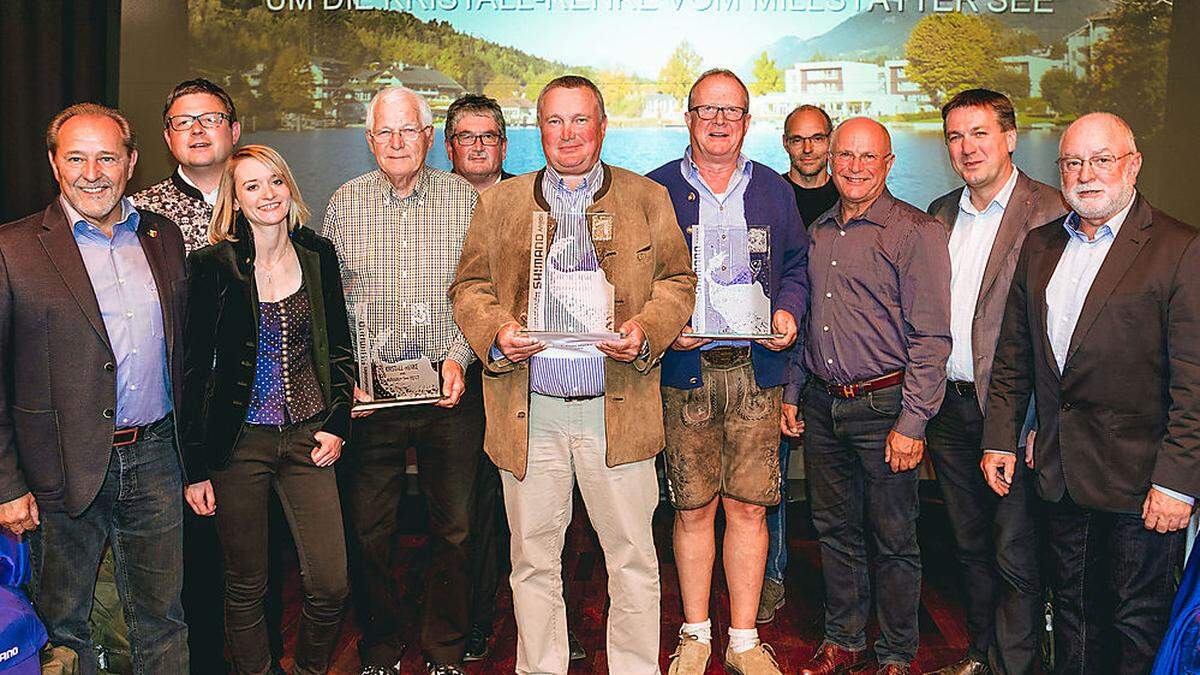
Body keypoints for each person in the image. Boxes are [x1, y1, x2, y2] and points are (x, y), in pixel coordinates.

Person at [449, 75, 695, 675]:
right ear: (539, 130)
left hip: (619, 409)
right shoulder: (500, 203)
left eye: (580, 120)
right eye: (554, 121)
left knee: (633, 557)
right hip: (530, 411)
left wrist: (647, 328)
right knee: (533, 561)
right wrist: (497, 332)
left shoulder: (645, 199)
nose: (568, 134)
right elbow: (469, 288)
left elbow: (679, 282)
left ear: (602, 127)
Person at [982, 112, 1200, 674]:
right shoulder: (1039, 246)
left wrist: (1177, 483)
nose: (1086, 174)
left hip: (1143, 488)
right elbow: (1013, 358)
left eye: (1101, 159)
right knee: (1075, 615)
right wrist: (1001, 439)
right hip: (1060, 476)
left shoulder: (1180, 249)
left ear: (1133, 165)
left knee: (1136, 624)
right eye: (1073, 162)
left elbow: (1194, 382)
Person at [0, 103, 189, 673]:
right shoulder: (12, 249)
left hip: (157, 457)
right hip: (55, 469)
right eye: (77, 157)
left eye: (107, 156)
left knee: (163, 619)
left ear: (131, 162)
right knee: (64, 626)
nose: (93, 171)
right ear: (55, 164)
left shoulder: (163, 236)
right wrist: (7, 483)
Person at [647, 69, 807, 675]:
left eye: (731, 111)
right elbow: (640, 282)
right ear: (687, 117)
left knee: (748, 508)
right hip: (685, 372)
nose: (719, 120)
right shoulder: (655, 188)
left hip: (756, 372)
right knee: (691, 509)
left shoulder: (773, 189)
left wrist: (789, 311)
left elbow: (795, 266)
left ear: (747, 121)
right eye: (706, 109)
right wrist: (666, 327)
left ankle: (742, 640)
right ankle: (695, 635)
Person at [324, 86, 484, 675]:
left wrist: (459, 356)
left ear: (428, 136)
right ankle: (381, 646)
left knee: (457, 529)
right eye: (384, 133)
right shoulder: (345, 204)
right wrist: (349, 381)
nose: (396, 142)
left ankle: (445, 648)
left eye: (408, 130)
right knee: (368, 533)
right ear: (370, 141)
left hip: (449, 390)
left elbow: (480, 291)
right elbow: (329, 303)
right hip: (371, 400)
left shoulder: (463, 200)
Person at [181, 144, 353, 675]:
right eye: (252, 186)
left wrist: (338, 425)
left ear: (289, 187)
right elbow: (193, 371)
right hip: (238, 445)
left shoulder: (319, 256)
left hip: (308, 439)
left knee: (331, 582)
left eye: (275, 181)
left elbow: (341, 352)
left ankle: (306, 669)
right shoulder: (212, 266)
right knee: (245, 583)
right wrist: (194, 469)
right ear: (235, 199)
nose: (267, 194)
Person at [131, 77, 279, 675]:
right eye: (183, 120)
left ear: (235, 130)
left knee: (261, 564)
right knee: (193, 563)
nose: (197, 128)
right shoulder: (141, 214)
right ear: (168, 137)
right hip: (181, 417)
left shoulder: (267, 203)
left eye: (211, 117)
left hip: (265, 414)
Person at [798, 117, 951, 675]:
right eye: (846, 155)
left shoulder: (916, 232)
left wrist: (913, 422)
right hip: (822, 403)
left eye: (869, 157)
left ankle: (896, 653)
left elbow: (932, 336)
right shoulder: (817, 232)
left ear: (889, 165)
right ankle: (844, 639)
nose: (856, 167)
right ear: (830, 161)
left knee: (893, 538)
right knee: (834, 531)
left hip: (886, 407)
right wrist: (794, 394)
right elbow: (808, 319)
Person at [442, 93, 587, 664]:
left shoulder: (540, 195)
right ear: (448, 146)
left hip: (535, 379)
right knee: (475, 514)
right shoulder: (431, 199)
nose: (478, 146)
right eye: (466, 137)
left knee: (558, 517)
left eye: (489, 136)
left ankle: (562, 631)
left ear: (505, 144)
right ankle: (479, 621)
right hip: (461, 381)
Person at [924, 88, 1065, 675]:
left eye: (980, 133)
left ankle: (1017, 666)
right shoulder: (939, 213)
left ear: (1010, 137)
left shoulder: (1053, 210)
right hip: (951, 409)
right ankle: (982, 656)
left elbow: (1065, 330)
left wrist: (1037, 422)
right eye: (956, 136)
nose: (967, 147)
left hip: (1015, 414)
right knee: (970, 545)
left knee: (1016, 553)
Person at [764, 103, 841, 627]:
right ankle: (771, 575)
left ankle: (845, 596)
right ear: (785, 143)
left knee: (838, 485)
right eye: (798, 139)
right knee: (768, 476)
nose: (808, 148)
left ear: (831, 142)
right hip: (780, 352)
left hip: (840, 358)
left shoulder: (855, 194)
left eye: (817, 138)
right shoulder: (769, 195)